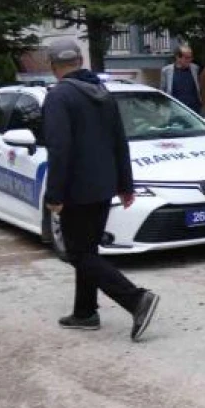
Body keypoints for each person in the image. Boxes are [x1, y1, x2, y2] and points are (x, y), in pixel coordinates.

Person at [42, 38, 160, 342]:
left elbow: (59, 149)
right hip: (103, 186)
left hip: (76, 189)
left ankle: (135, 299)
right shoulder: (103, 93)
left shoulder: (59, 97)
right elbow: (119, 140)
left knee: (78, 253)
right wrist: (125, 184)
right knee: (88, 249)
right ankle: (85, 312)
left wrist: (54, 195)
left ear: (54, 66)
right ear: (80, 61)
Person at [160, 44, 202, 114]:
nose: (189, 60)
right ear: (178, 57)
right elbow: (163, 90)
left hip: (194, 111)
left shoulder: (195, 68)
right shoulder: (166, 71)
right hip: (175, 111)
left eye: (190, 57)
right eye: (186, 58)